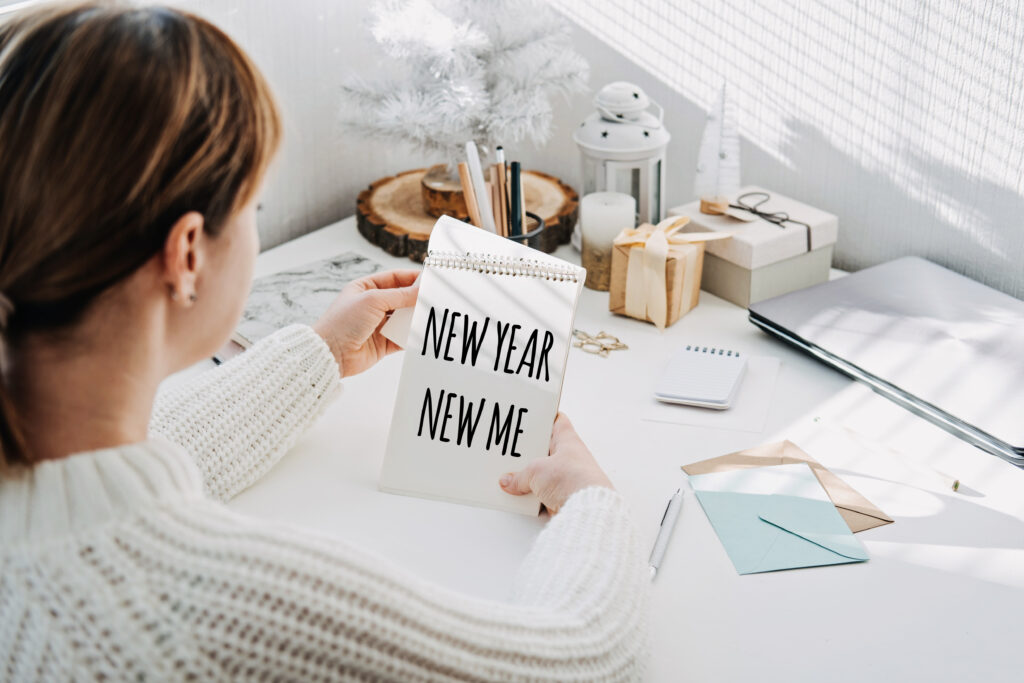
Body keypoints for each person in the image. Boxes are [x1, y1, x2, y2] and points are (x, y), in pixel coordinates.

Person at [0, 3, 649, 680]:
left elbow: (115, 469)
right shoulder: (200, 611)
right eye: (254, 207)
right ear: (187, 253)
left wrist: (320, 356)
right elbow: (576, 661)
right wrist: (589, 504)